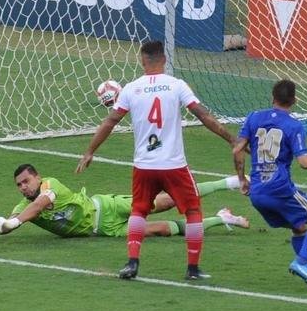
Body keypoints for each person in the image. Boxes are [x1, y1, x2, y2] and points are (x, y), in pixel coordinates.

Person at [76, 39, 236, 281]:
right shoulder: (176, 85)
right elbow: (203, 115)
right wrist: (231, 139)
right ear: (164, 59)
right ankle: (192, 268)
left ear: (142, 61)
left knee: (138, 212)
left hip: (144, 166)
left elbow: (110, 121)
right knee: (193, 211)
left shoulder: (130, 89)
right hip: (173, 165)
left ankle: (132, 263)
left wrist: (90, 151)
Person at [233, 79, 307, 287]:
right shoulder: (294, 125)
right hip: (280, 190)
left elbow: (237, 149)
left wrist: (242, 179)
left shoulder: (253, 117)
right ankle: (302, 262)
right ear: (294, 100)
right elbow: (304, 163)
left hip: (258, 194)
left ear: (273, 98)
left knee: (299, 227)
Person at [0, 163, 249, 239]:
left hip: (106, 206)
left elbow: (40, 205)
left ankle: (229, 182)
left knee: (165, 201)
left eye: (26, 181)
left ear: (37, 178)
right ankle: (223, 219)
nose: (23, 187)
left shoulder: (52, 186)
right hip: (105, 229)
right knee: (162, 229)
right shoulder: (22, 209)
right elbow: (15, 218)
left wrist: (13, 222)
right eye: (19, 185)